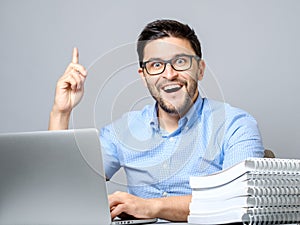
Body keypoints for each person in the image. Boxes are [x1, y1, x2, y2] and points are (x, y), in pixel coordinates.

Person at [49, 19, 264, 221]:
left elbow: (239, 199)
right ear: (144, 76)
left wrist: (152, 207)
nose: (169, 74)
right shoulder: (124, 130)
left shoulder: (235, 125)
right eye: (156, 65)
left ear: (200, 69)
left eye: (180, 61)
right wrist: (61, 112)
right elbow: (63, 186)